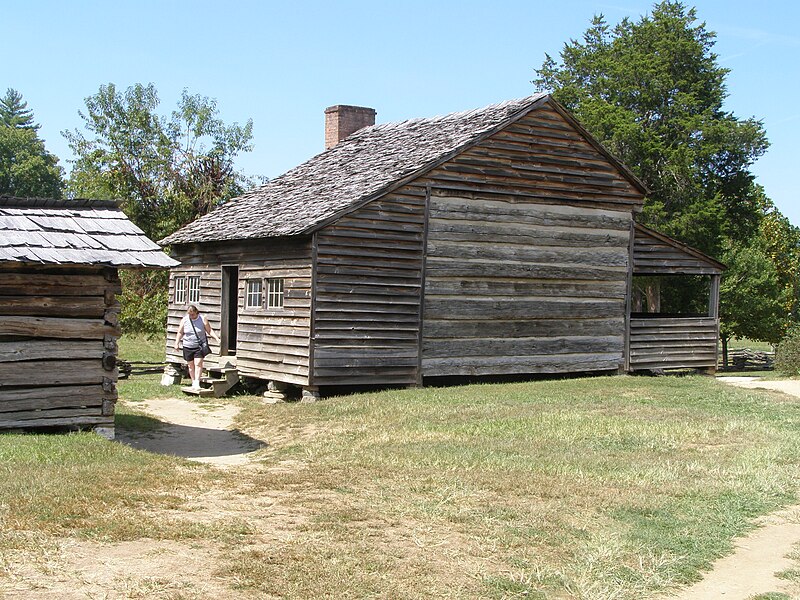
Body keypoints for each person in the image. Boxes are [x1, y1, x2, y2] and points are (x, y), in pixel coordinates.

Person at [174, 305, 220, 389]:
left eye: (193, 314)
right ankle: (193, 381)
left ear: (196, 312)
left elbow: (209, 330)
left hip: (199, 346)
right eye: (189, 314)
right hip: (187, 345)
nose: (191, 316)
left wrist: (216, 338)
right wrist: (176, 343)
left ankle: (197, 383)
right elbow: (180, 332)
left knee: (198, 363)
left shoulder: (202, 319)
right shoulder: (184, 320)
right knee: (191, 365)